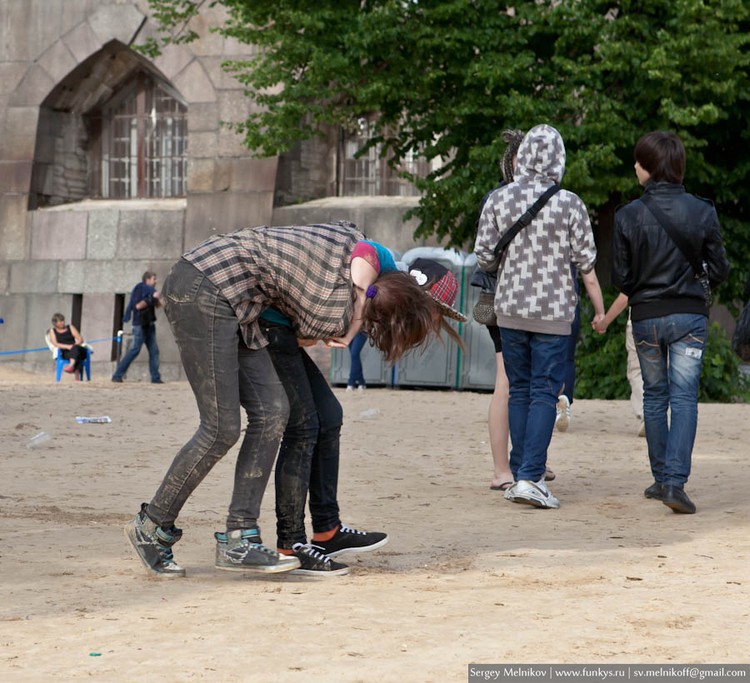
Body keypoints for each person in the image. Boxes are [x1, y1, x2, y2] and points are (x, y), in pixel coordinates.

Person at [125, 221, 458, 577]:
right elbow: (363, 255)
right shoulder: (372, 265)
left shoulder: (357, 286)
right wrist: (354, 321)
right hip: (206, 286)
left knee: (273, 412)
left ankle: (240, 538)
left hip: (242, 305)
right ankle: (152, 526)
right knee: (220, 428)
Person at [475, 124, 605, 509]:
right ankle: (531, 476)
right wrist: (599, 309)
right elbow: (586, 262)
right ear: (559, 158)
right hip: (553, 313)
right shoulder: (570, 203)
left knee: (519, 389)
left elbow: (483, 256)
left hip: (510, 310)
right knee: (545, 392)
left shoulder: (499, 199)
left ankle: (520, 472)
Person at [612, 130, 730, 514]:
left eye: (639, 161)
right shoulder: (702, 211)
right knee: (683, 398)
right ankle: (675, 484)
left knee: (654, 396)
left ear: (650, 166)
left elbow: (622, 279)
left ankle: (662, 477)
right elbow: (720, 269)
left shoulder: (627, 215)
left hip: (646, 318)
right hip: (689, 317)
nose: (635, 166)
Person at [594, 292, 646, 436]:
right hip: (674, 320)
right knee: (665, 369)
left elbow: (625, 296)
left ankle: (646, 414)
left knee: (636, 370)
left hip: (640, 318)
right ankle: (661, 415)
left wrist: (604, 322)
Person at [112, 271, 163, 384]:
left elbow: (158, 305)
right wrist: (152, 298)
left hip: (149, 324)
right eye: (154, 279)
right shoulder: (140, 289)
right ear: (147, 279)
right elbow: (138, 306)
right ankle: (117, 375)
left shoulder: (149, 291)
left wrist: (156, 299)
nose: (156, 281)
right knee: (134, 350)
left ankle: (155, 378)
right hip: (140, 325)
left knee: (154, 351)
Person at [49, 313, 87, 378]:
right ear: (55, 323)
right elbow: (55, 344)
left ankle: (71, 365)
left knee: (75, 349)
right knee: (76, 354)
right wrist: (67, 346)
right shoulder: (52, 331)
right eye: (60, 321)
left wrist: (73, 346)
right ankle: (77, 376)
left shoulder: (70, 327)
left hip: (77, 348)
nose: (62, 323)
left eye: (63, 320)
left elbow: (80, 339)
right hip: (65, 351)